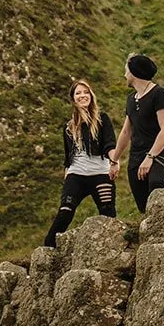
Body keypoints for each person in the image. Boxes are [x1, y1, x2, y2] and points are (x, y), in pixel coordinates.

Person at [43, 78, 120, 248]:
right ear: (73, 98)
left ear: (91, 95)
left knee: (108, 214)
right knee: (65, 212)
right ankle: (47, 250)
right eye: (78, 93)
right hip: (76, 175)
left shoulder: (102, 119)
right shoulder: (69, 127)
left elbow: (109, 144)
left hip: (101, 173)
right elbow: (67, 154)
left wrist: (114, 161)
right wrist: (67, 173)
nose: (83, 95)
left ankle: (111, 250)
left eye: (86, 92)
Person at [114, 53, 164, 213]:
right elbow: (126, 132)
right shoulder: (130, 99)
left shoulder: (160, 94)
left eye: (126, 71)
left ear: (134, 72)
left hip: (160, 153)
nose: (124, 75)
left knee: (155, 185)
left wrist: (150, 158)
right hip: (136, 156)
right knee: (143, 206)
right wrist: (114, 160)